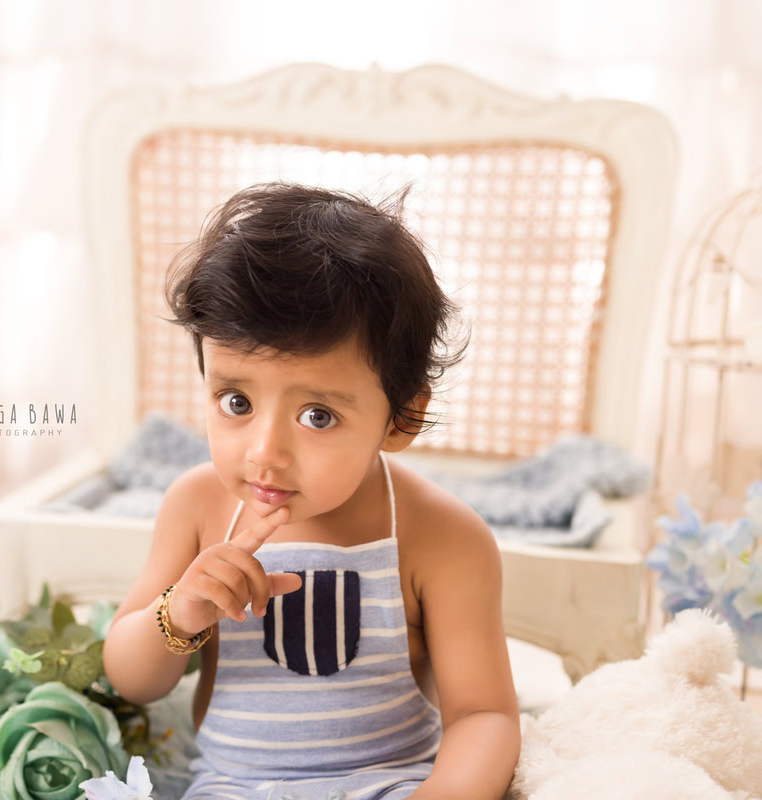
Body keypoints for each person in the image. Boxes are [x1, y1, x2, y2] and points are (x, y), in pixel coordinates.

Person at [101, 182, 520, 800]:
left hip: (387, 784)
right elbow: (130, 679)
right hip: (234, 787)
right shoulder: (198, 507)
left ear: (401, 417)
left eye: (317, 416)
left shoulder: (441, 536)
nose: (264, 452)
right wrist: (180, 611)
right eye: (236, 402)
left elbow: (483, 714)